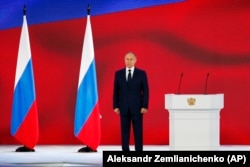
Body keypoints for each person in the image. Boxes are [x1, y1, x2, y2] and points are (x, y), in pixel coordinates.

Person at [113, 52, 149, 151]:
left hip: (137, 108)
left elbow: (146, 91)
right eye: (127, 59)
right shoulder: (118, 73)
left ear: (135, 60)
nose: (129, 61)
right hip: (123, 107)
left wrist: (145, 106)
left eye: (131, 59)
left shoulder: (141, 73)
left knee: (138, 131)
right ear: (124, 60)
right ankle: (125, 151)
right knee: (124, 131)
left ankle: (139, 151)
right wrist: (115, 106)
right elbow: (115, 91)